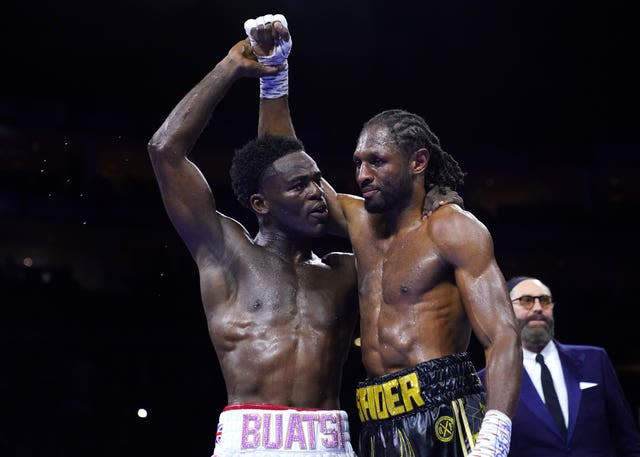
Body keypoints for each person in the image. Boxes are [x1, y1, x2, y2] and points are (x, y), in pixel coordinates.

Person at [147, 14, 455, 457]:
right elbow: (165, 152)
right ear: (261, 204)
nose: (317, 193)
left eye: (318, 181)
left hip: (331, 441)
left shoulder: (349, 269)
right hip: (246, 442)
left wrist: (436, 198)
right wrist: (231, 67)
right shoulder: (227, 253)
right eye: (299, 187)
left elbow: (416, 258)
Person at [248, 16, 522, 457]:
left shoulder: (452, 228)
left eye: (376, 161)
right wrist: (275, 75)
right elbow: (284, 165)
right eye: (358, 163)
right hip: (375, 419)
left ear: (417, 161)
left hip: (447, 410)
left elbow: (503, 335)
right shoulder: (358, 222)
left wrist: (496, 431)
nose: (362, 174)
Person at [478, 276, 640, 456]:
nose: (538, 308)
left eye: (545, 301)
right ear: (506, 310)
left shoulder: (594, 360)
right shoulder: (488, 380)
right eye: (527, 301)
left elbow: (628, 438)